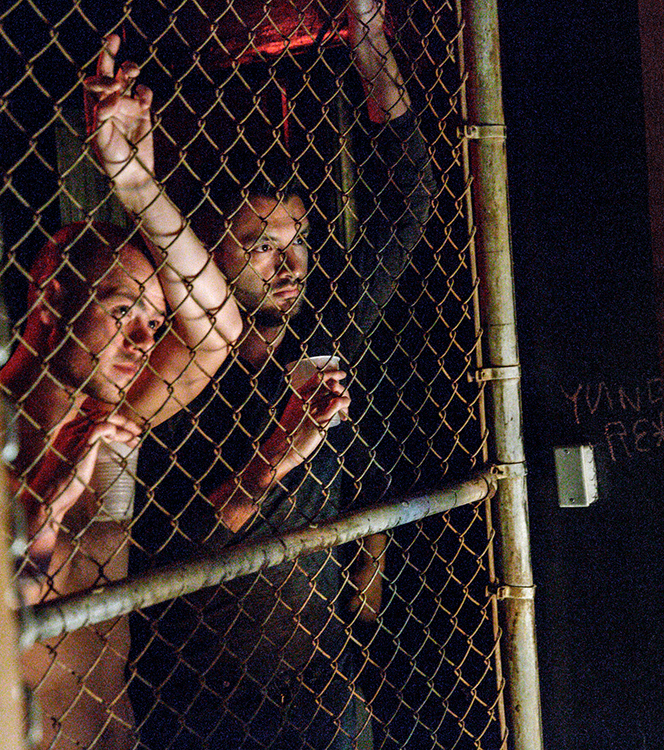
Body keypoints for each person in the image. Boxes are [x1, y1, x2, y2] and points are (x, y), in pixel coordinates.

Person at [127, 0, 431, 746]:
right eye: (263, 246)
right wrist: (269, 462)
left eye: (297, 241)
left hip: (319, 693)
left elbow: (410, 197)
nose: (290, 265)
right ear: (211, 253)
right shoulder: (176, 370)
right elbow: (176, 547)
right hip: (203, 705)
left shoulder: (323, 332)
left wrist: (369, 46)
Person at [0, 33, 243, 750]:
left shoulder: (114, 417)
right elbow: (5, 593)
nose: (144, 341)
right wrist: (60, 476)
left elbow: (215, 330)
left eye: (152, 321)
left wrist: (136, 182)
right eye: (118, 312)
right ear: (49, 299)